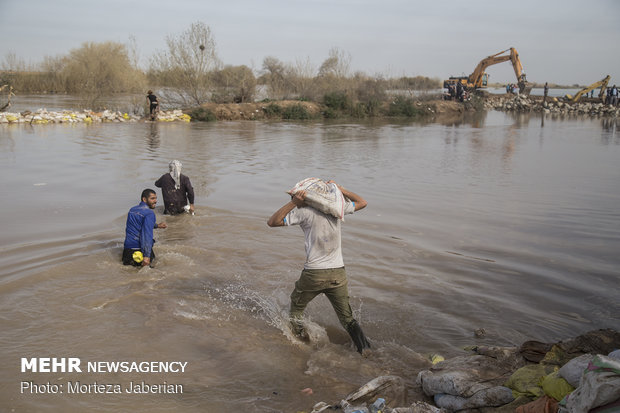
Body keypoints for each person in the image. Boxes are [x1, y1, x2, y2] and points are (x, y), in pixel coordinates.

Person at [267, 180, 371, 355]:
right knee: (347, 318)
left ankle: (302, 345)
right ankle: (366, 350)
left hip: (314, 274)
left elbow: (272, 222)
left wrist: (294, 203)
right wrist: (342, 189)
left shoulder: (304, 212)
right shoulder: (337, 211)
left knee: (295, 311)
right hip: (338, 273)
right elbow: (363, 202)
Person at [122, 189, 167, 267]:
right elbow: (146, 235)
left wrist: (157, 225)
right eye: (152, 198)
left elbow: (139, 224)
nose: (155, 201)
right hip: (139, 251)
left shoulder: (132, 210)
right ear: (144, 199)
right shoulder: (149, 213)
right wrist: (146, 256)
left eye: (156, 198)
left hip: (127, 250)